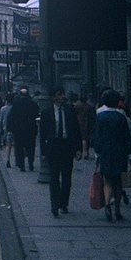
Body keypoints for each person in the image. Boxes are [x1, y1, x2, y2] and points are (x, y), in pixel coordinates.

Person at [40, 86, 83, 217]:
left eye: (62, 94)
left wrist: (79, 149)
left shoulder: (70, 111)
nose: (62, 97)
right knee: (53, 178)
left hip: (67, 146)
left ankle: (64, 203)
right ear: (53, 97)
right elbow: (43, 134)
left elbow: (76, 131)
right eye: (59, 94)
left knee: (66, 177)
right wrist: (43, 153)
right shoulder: (46, 113)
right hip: (54, 147)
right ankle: (54, 205)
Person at [93, 89, 131, 222]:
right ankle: (117, 209)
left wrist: (97, 151)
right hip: (119, 152)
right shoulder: (121, 117)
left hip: (106, 153)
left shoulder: (100, 117)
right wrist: (129, 153)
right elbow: (127, 137)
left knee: (108, 181)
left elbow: (96, 137)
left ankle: (107, 205)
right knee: (118, 182)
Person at [7, 85, 40, 171]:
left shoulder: (16, 104)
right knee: (31, 147)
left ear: (20, 94)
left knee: (19, 147)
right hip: (30, 129)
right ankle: (30, 163)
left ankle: (22, 165)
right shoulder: (33, 104)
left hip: (19, 130)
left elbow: (11, 117)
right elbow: (37, 114)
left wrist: (10, 128)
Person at [74, 94, 96, 159]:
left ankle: (83, 151)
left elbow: (74, 115)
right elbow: (93, 117)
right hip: (88, 124)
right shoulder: (89, 107)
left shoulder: (77, 106)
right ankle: (86, 152)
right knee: (86, 138)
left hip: (79, 123)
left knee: (82, 138)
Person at [0, 93, 15, 167]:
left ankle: (8, 160)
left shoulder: (3, 109)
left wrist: (0, 129)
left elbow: (0, 120)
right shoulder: (15, 108)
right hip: (15, 128)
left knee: (8, 145)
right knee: (17, 144)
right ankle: (17, 160)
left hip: (6, 129)